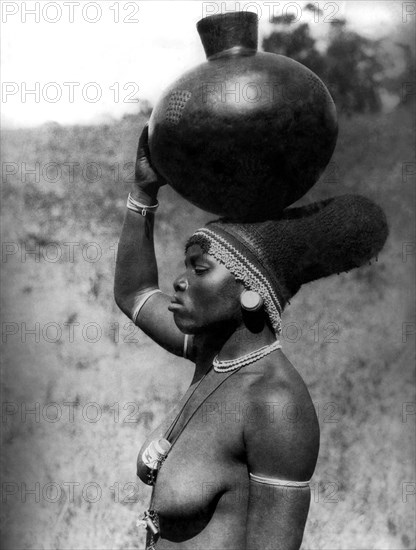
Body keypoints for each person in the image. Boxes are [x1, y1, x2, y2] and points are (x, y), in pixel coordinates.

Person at [114, 125, 388, 550]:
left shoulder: (275, 405)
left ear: (251, 291)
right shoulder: (213, 356)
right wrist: (144, 190)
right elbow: (135, 294)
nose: (180, 283)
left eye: (199, 268)